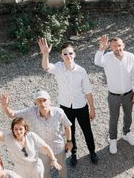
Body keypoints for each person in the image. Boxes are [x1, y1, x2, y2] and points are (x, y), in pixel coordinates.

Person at [38, 38, 97, 166]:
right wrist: (45, 54)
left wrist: (92, 108)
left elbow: (88, 91)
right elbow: (46, 66)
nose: (68, 56)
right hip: (65, 107)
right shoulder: (58, 68)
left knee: (87, 130)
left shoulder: (81, 71)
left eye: (70, 53)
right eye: (65, 54)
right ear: (61, 56)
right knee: (70, 131)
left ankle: (92, 152)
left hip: (81, 106)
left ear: (74, 54)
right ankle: (73, 154)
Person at [0, 90, 72, 177]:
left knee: (62, 171)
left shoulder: (59, 112)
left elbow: (67, 126)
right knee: (44, 173)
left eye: (44, 100)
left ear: (49, 101)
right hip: (42, 151)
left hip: (58, 148)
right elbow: (12, 114)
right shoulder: (31, 112)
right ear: (36, 103)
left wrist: (69, 141)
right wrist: (5, 106)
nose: (42, 103)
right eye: (39, 101)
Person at [94, 35, 134, 154]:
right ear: (110, 47)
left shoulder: (130, 56)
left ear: (123, 45)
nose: (117, 48)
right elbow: (97, 61)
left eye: (119, 45)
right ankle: (113, 139)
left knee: (128, 115)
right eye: (114, 46)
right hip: (113, 95)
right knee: (114, 118)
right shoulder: (107, 57)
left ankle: (126, 133)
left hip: (128, 94)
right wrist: (101, 48)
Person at [0, 111, 62, 178]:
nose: (18, 132)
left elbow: (46, 147)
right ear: (12, 130)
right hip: (21, 170)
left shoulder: (31, 135)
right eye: (16, 129)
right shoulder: (9, 138)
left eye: (21, 129)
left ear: (25, 129)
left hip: (36, 167)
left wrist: (54, 160)